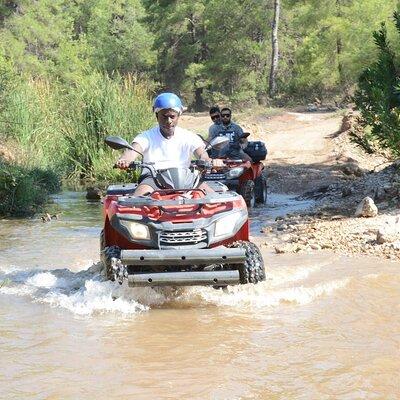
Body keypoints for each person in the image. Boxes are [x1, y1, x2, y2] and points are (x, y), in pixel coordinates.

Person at [115, 92, 222, 196]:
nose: (169, 121)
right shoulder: (146, 137)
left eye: (172, 116)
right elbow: (133, 151)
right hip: (154, 179)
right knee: (138, 198)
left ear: (178, 116)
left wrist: (211, 162)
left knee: (215, 199)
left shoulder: (189, 136)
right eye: (164, 116)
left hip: (186, 179)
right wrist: (125, 160)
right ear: (157, 116)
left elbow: (202, 154)